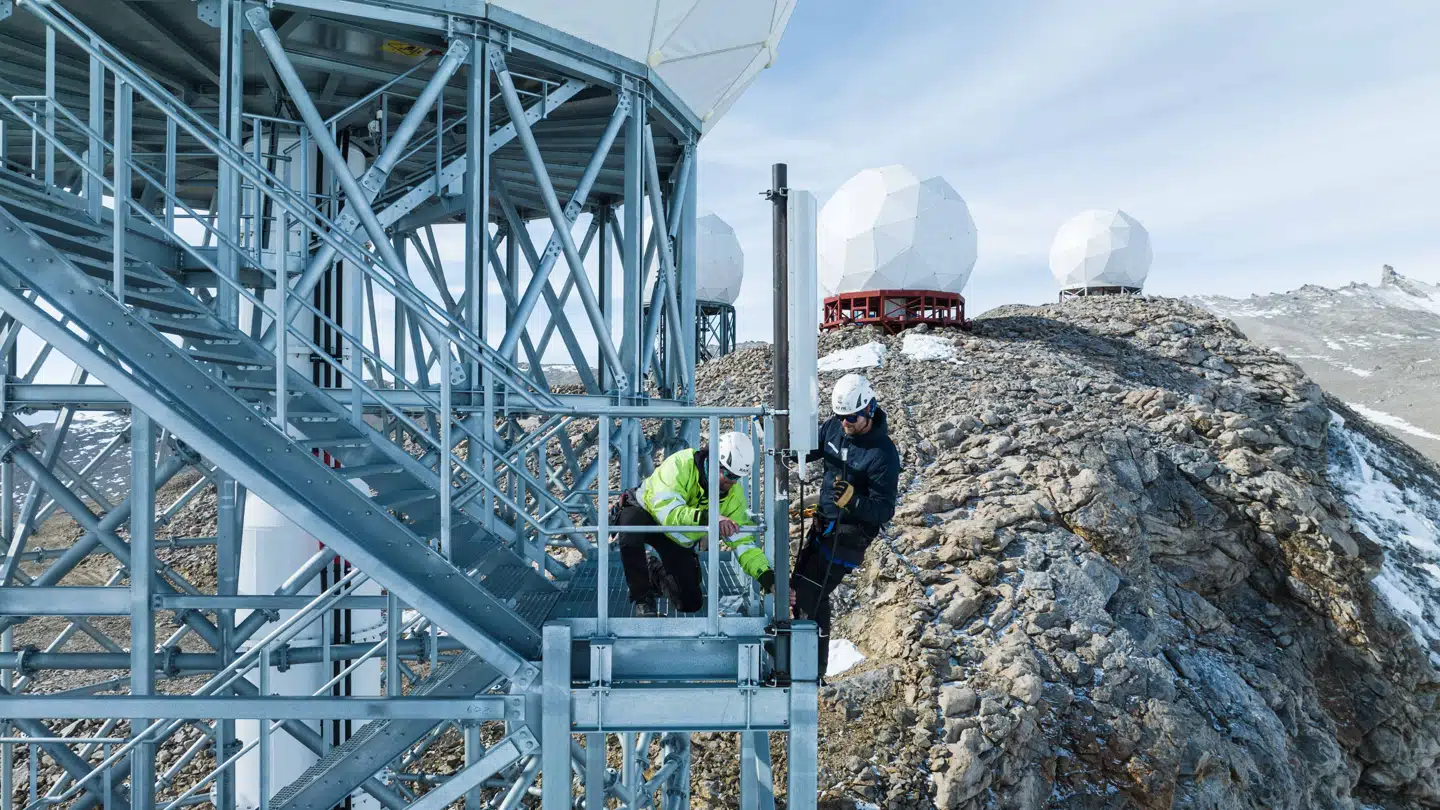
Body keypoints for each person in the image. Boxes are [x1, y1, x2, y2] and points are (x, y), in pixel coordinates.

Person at [792, 373, 900, 677]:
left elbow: (884, 510)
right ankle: (806, 663)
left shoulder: (882, 454)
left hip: (850, 536)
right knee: (798, 590)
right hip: (824, 524)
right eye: (840, 417)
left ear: (869, 410)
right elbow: (811, 447)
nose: (844, 424)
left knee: (808, 594)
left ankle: (811, 671)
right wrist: (783, 441)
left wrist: (853, 500)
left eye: (851, 418)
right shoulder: (835, 429)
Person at [615, 430, 775, 617]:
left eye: (737, 477)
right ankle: (642, 598)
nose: (731, 482)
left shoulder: (733, 496)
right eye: (729, 475)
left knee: (690, 603)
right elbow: (669, 512)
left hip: (676, 534)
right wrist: (710, 518)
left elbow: (743, 542)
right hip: (646, 510)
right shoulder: (680, 464)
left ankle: (653, 569)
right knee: (629, 532)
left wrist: (767, 578)